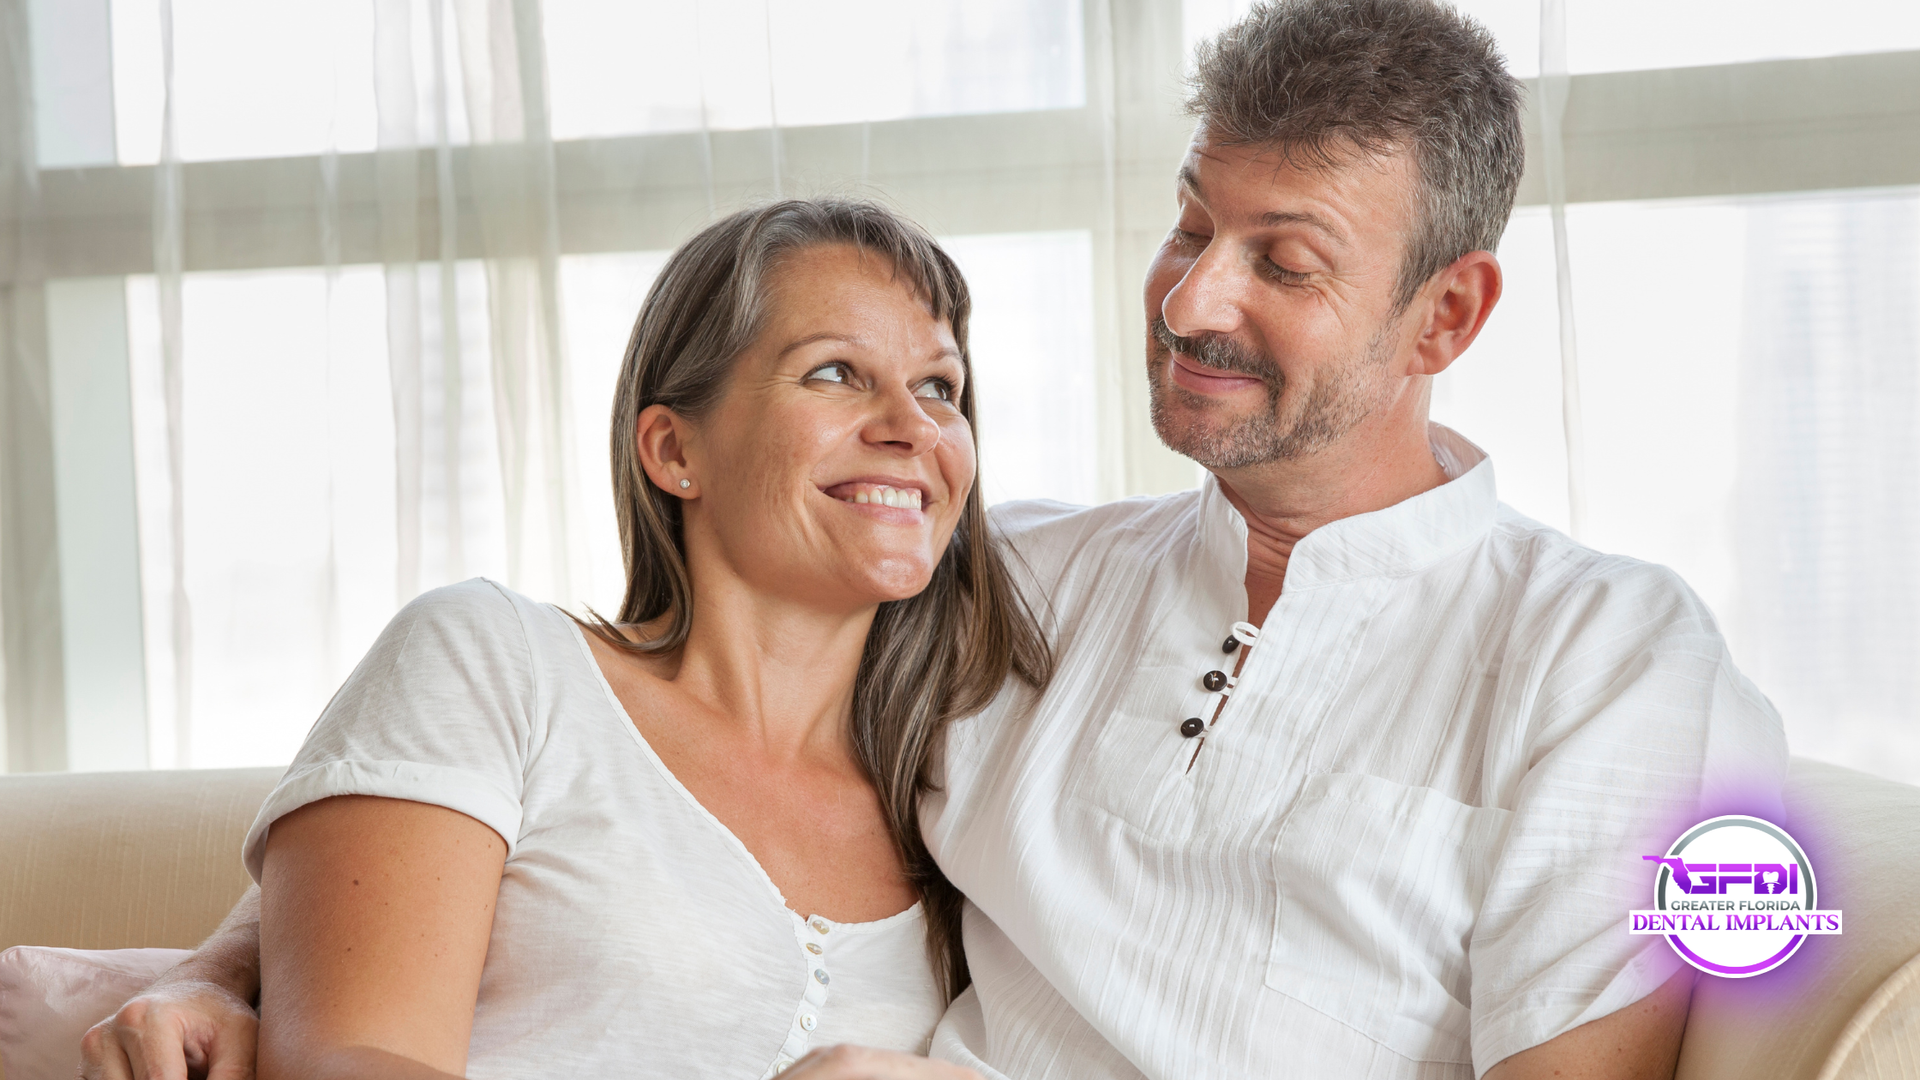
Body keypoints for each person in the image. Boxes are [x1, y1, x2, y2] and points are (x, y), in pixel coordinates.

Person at [87, 2, 1790, 1079]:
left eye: (1283, 260)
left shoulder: (1614, 660)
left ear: (1448, 314)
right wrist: (241, 978)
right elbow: (592, 786)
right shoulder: (1025, 585)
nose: (1191, 299)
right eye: (1191, 224)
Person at [82, 197, 1050, 1080]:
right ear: (674, 450)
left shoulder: (955, 793)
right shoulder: (496, 661)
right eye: (837, 373)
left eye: (940, 388)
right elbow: (349, 1056)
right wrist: (216, 970)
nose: (911, 427)